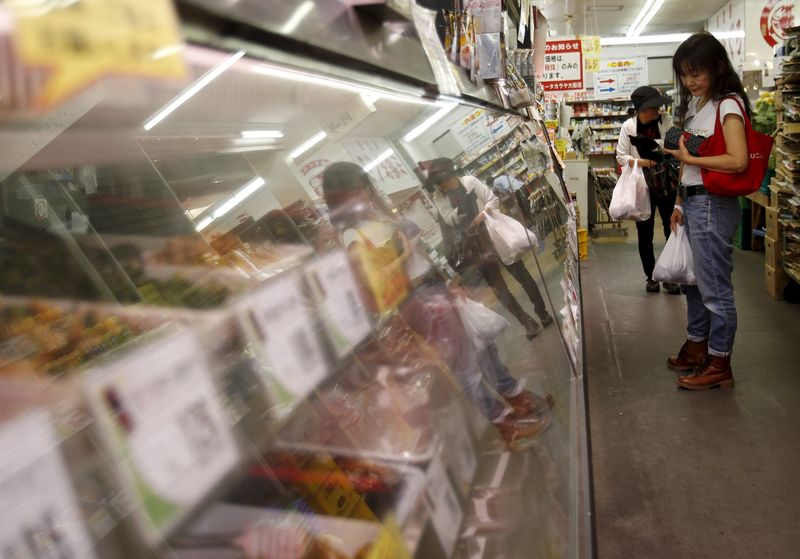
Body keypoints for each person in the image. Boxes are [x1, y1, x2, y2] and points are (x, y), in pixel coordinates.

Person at [321, 161, 552, 447]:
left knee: (481, 347)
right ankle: (505, 423)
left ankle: (518, 399)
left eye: (363, 186)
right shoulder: (352, 234)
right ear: (340, 198)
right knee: (464, 362)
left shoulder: (373, 219)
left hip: (432, 286)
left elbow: (420, 255)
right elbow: (375, 280)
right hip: (417, 298)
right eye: (354, 190)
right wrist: (404, 252)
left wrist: (447, 278)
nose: (364, 193)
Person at [662, 32, 751, 390]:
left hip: (714, 203)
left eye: (695, 73)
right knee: (694, 285)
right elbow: (691, 164)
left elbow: (738, 159)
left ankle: (719, 363)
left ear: (716, 66)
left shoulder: (728, 104)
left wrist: (687, 156)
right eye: (684, 74)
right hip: (695, 201)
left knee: (714, 288)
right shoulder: (698, 107)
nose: (689, 81)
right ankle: (698, 347)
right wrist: (679, 202)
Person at [425, 157, 553, 340]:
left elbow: (492, 200)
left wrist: (479, 218)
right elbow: (448, 219)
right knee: (499, 289)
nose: (438, 186)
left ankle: (542, 312)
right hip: (474, 248)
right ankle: (527, 322)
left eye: (440, 182)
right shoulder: (438, 197)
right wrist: (460, 213)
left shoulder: (469, 182)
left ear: (448, 176)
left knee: (521, 274)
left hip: (494, 235)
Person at [616, 86, 681, 295]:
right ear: (641, 109)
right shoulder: (628, 127)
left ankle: (670, 276)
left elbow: (675, 147)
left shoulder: (666, 121)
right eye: (653, 107)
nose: (658, 110)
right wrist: (645, 162)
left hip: (665, 181)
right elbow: (621, 156)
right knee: (645, 232)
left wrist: (657, 147)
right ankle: (651, 276)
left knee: (670, 228)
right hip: (642, 183)